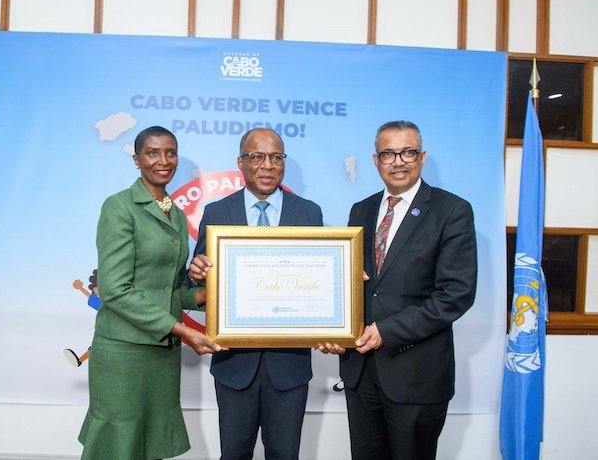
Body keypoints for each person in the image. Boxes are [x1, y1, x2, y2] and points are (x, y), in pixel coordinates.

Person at [321, 120, 477, 460]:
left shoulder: (451, 211)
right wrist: (333, 328)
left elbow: (456, 294)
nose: (398, 161)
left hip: (416, 375)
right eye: (388, 153)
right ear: (376, 161)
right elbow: (353, 282)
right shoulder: (360, 210)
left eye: (407, 152)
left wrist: (387, 331)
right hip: (361, 372)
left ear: (422, 157)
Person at [79, 125, 221, 459]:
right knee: (117, 446)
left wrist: (211, 295)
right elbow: (115, 290)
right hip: (124, 354)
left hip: (161, 353)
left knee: (151, 445)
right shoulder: (120, 207)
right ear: (136, 159)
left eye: (170, 152)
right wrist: (183, 329)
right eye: (152, 152)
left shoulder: (173, 212)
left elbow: (170, 288)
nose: (163, 160)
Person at [190, 127, 323, 460]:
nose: (268, 166)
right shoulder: (217, 213)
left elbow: (319, 281)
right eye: (257, 157)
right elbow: (199, 284)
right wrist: (196, 273)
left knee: (285, 454)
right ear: (241, 162)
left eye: (276, 158)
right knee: (233, 454)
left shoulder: (309, 213)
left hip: (289, 365)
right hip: (235, 364)